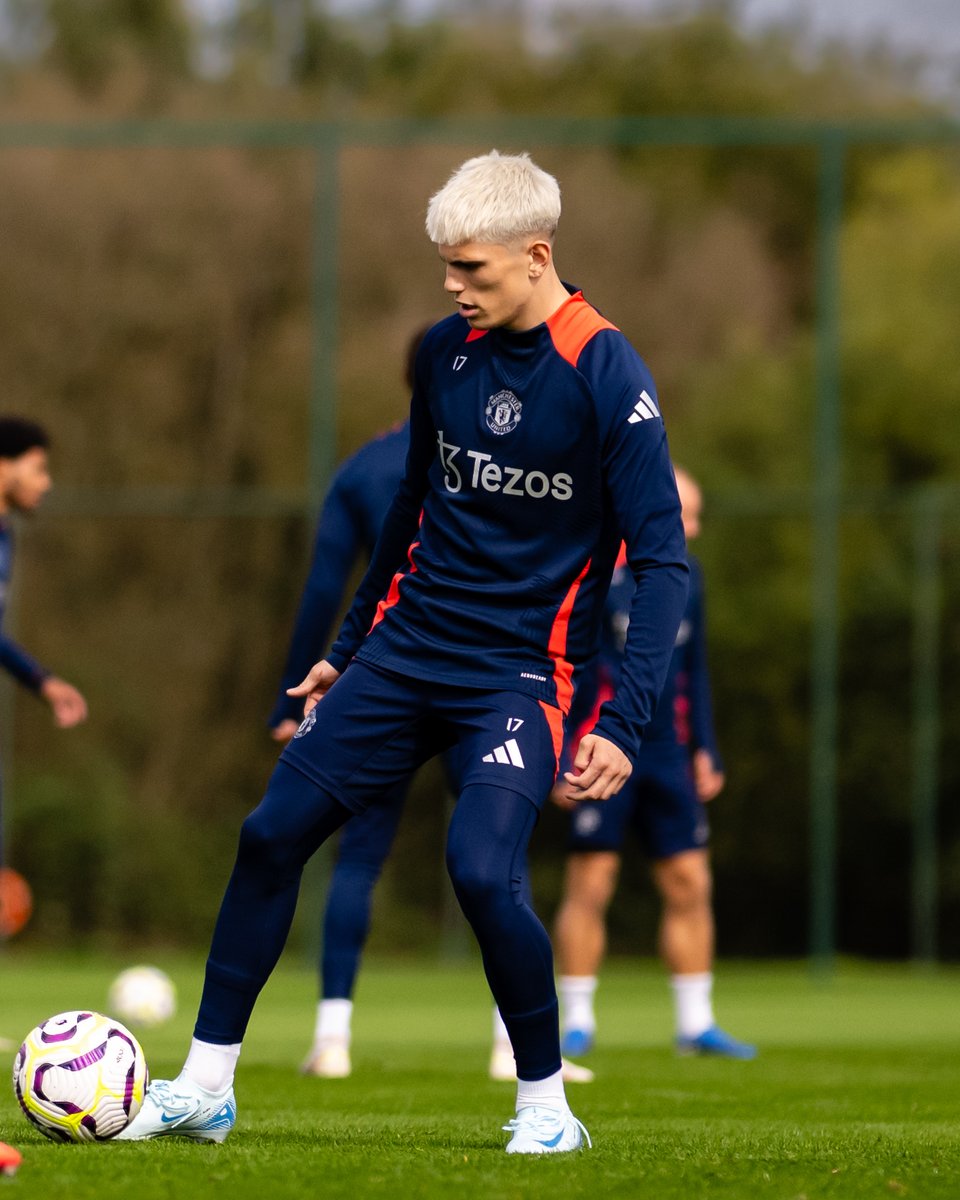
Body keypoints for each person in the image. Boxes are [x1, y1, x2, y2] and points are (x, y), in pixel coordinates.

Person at [119, 150, 689, 1155]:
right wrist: (349, 648)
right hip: (406, 650)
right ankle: (206, 1084)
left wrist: (623, 721)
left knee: (480, 871)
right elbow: (409, 513)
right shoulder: (443, 355)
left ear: (535, 255)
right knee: (268, 837)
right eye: (446, 267)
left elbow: (664, 565)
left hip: (519, 675)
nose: (451, 286)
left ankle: (546, 1107)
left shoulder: (608, 374)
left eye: (469, 268)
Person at [552, 468, 756, 1060]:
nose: (691, 528)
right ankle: (578, 1021)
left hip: (668, 753)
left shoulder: (689, 580)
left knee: (691, 882)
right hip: (600, 748)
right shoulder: (593, 574)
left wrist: (706, 749)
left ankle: (696, 1024)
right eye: (685, 515)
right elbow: (570, 669)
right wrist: (562, 751)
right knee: (591, 883)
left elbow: (696, 670)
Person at [0, 417, 88, 734]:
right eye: (38, 468)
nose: (46, 483)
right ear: (4, 466)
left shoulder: (5, 536)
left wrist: (42, 681)